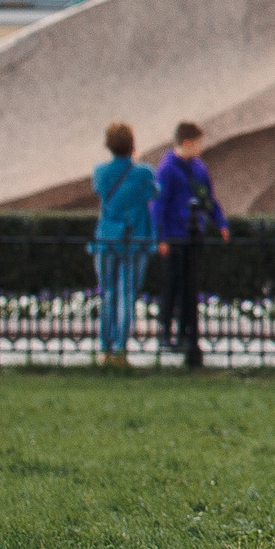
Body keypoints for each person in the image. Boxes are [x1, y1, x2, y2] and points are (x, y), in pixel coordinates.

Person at [152, 121, 229, 362]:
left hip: (193, 235)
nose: (200, 147)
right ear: (187, 142)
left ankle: (187, 333)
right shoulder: (167, 169)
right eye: (197, 143)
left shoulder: (198, 168)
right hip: (174, 235)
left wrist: (220, 222)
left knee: (189, 287)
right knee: (171, 285)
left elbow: (208, 198)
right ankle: (165, 332)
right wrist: (160, 237)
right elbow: (158, 205)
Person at [88, 121, 156, 366]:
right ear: (132, 144)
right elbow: (154, 192)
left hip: (107, 238)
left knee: (107, 293)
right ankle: (120, 348)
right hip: (134, 239)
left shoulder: (100, 172)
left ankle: (104, 348)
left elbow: (99, 190)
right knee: (127, 294)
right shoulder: (143, 172)